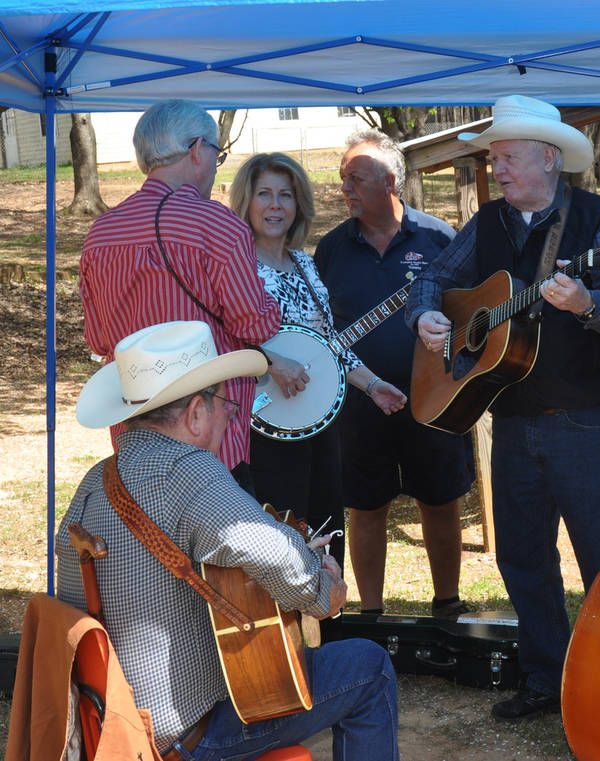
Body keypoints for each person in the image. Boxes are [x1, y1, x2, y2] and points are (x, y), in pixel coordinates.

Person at [58, 320, 399, 761]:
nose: (227, 417)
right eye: (224, 406)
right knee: (368, 668)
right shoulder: (188, 469)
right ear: (196, 412)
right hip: (185, 730)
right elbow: (275, 555)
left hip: (113, 723)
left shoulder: (94, 480)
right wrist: (324, 590)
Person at [405, 95, 600, 720]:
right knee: (522, 559)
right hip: (510, 422)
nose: (497, 169)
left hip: (585, 423)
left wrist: (585, 300)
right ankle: (545, 677)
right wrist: (426, 315)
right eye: (495, 159)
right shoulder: (487, 224)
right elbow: (431, 279)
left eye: (507, 158)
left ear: (549, 160)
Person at [79, 99, 280, 491]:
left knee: (147, 545)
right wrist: (273, 302)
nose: (214, 163)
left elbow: (99, 339)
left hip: (133, 426)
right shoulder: (218, 225)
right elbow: (255, 325)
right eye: (216, 153)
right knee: (218, 546)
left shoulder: (100, 234)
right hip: (207, 432)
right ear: (195, 150)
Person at [314, 130, 475, 619]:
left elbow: (468, 312)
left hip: (435, 395)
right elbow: (323, 327)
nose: (345, 188)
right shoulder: (331, 250)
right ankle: (373, 615)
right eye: (343, 178)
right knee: (365, 507)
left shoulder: (440, 238)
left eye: (355, 178)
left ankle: (447, 606)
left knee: (440, 499)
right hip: (359, 402)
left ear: (390, 181)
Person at [228, 152, 406, 561]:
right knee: (281, 534)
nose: (276, 205)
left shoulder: (305, 265)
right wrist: (272, 361)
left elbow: (330, 344)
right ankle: (285, 625)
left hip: (320, 423)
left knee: (326, 528)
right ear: (246, 202)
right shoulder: (235, 267)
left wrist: (372, 384)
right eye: (264, 194)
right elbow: (222, 338)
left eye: (286, 195)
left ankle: (327, 620)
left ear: (298, 205)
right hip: (263, 426)